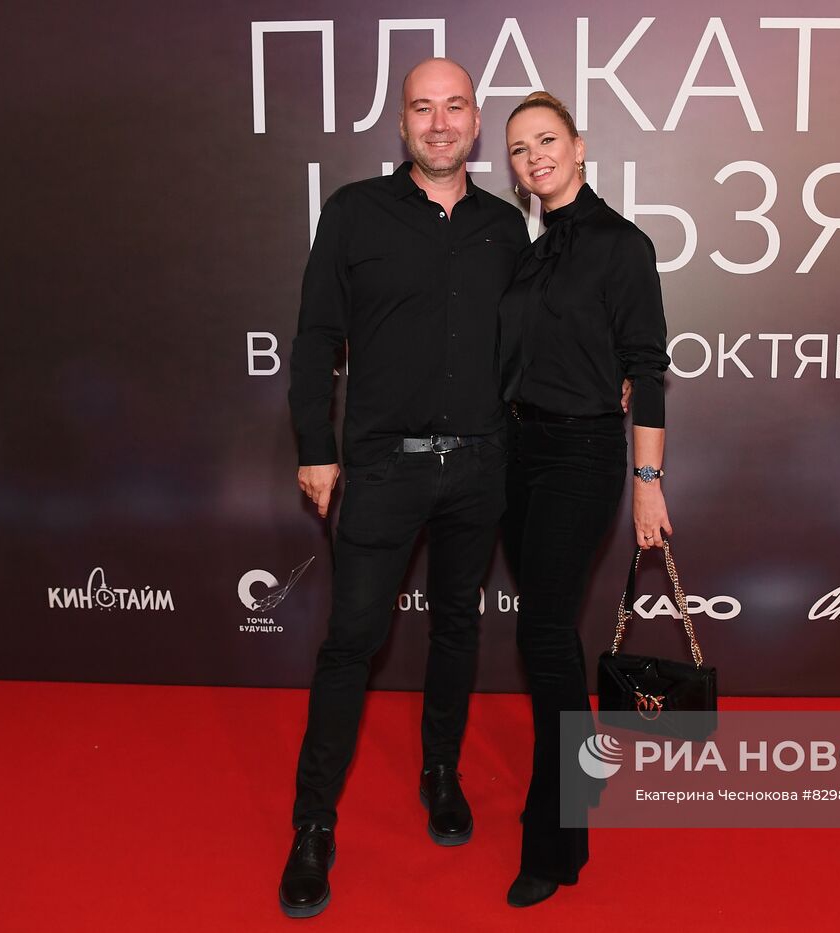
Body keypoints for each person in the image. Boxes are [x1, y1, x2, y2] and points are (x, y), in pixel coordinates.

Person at [279, 58, 529, 919]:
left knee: (457, 626)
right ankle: (313, 825)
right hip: (384, 466)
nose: (439, 122)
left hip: (481, 466)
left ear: (475, 121)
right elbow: (316, 337)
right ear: (402, 123)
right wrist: (317, 446)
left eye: (454, 107)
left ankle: (440, 772)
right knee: (351, 642)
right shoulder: (354, 212)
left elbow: (527, 344)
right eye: (423, 107)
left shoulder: (506, 226)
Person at [498, 91, 672, 908]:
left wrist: (648, 483)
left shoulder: (622, 246)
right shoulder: (526, 254)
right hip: (515, 454)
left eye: (546, 139)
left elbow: (649, 371)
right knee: (553, 633)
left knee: (542, 632)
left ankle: (557, 835)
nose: (534, 156)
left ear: (578, 145)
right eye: (520, 148)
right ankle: (584, 767)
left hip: (583, 454)